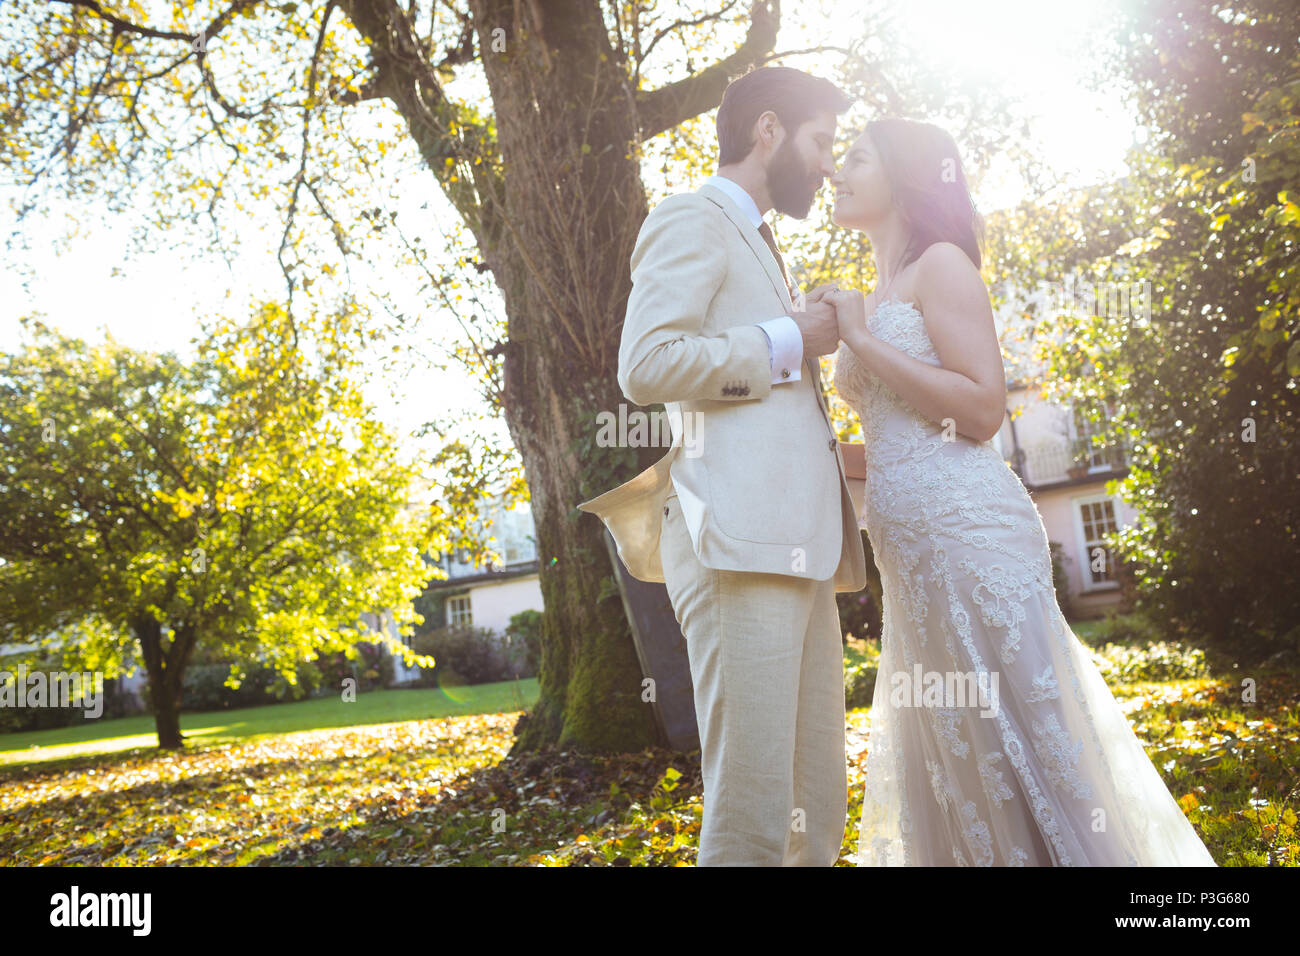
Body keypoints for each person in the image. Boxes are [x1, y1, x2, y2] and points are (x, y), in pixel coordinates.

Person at [814, 117, 1217, 865]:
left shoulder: (942, 266)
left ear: (903, 178)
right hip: (910, 558)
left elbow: (981, 409)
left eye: (856, 158)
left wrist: (861, 342)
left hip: (972, 537)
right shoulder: (879, 288)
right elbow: (897, 441)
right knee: (960, 753)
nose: (838, 171)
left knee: (1031, 739)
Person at [577, 66, 867, 865]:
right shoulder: (690, 216)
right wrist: (787, 340)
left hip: (799, 547)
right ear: (767, 130)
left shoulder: (765, 247)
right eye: (820, 141)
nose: (828, 163)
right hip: (737, 543)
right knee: (753, 811)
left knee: (815, 807)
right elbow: (647, 365)